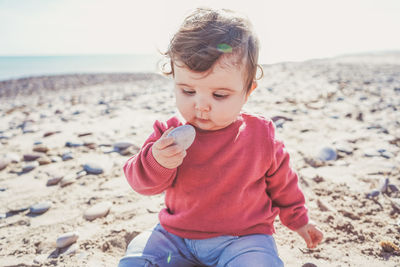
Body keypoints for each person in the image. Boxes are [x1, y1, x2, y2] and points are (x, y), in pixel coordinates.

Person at [119, 7, 323, 267]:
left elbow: (283, 185)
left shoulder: (260, 135)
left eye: (219, 95)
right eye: (188, 90)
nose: (201, 105)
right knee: (138, 256)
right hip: (176, 237)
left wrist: (300, 220)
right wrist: (158, 160)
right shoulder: (167, 135)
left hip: (243, 239)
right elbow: (140, 182)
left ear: (247, 92)